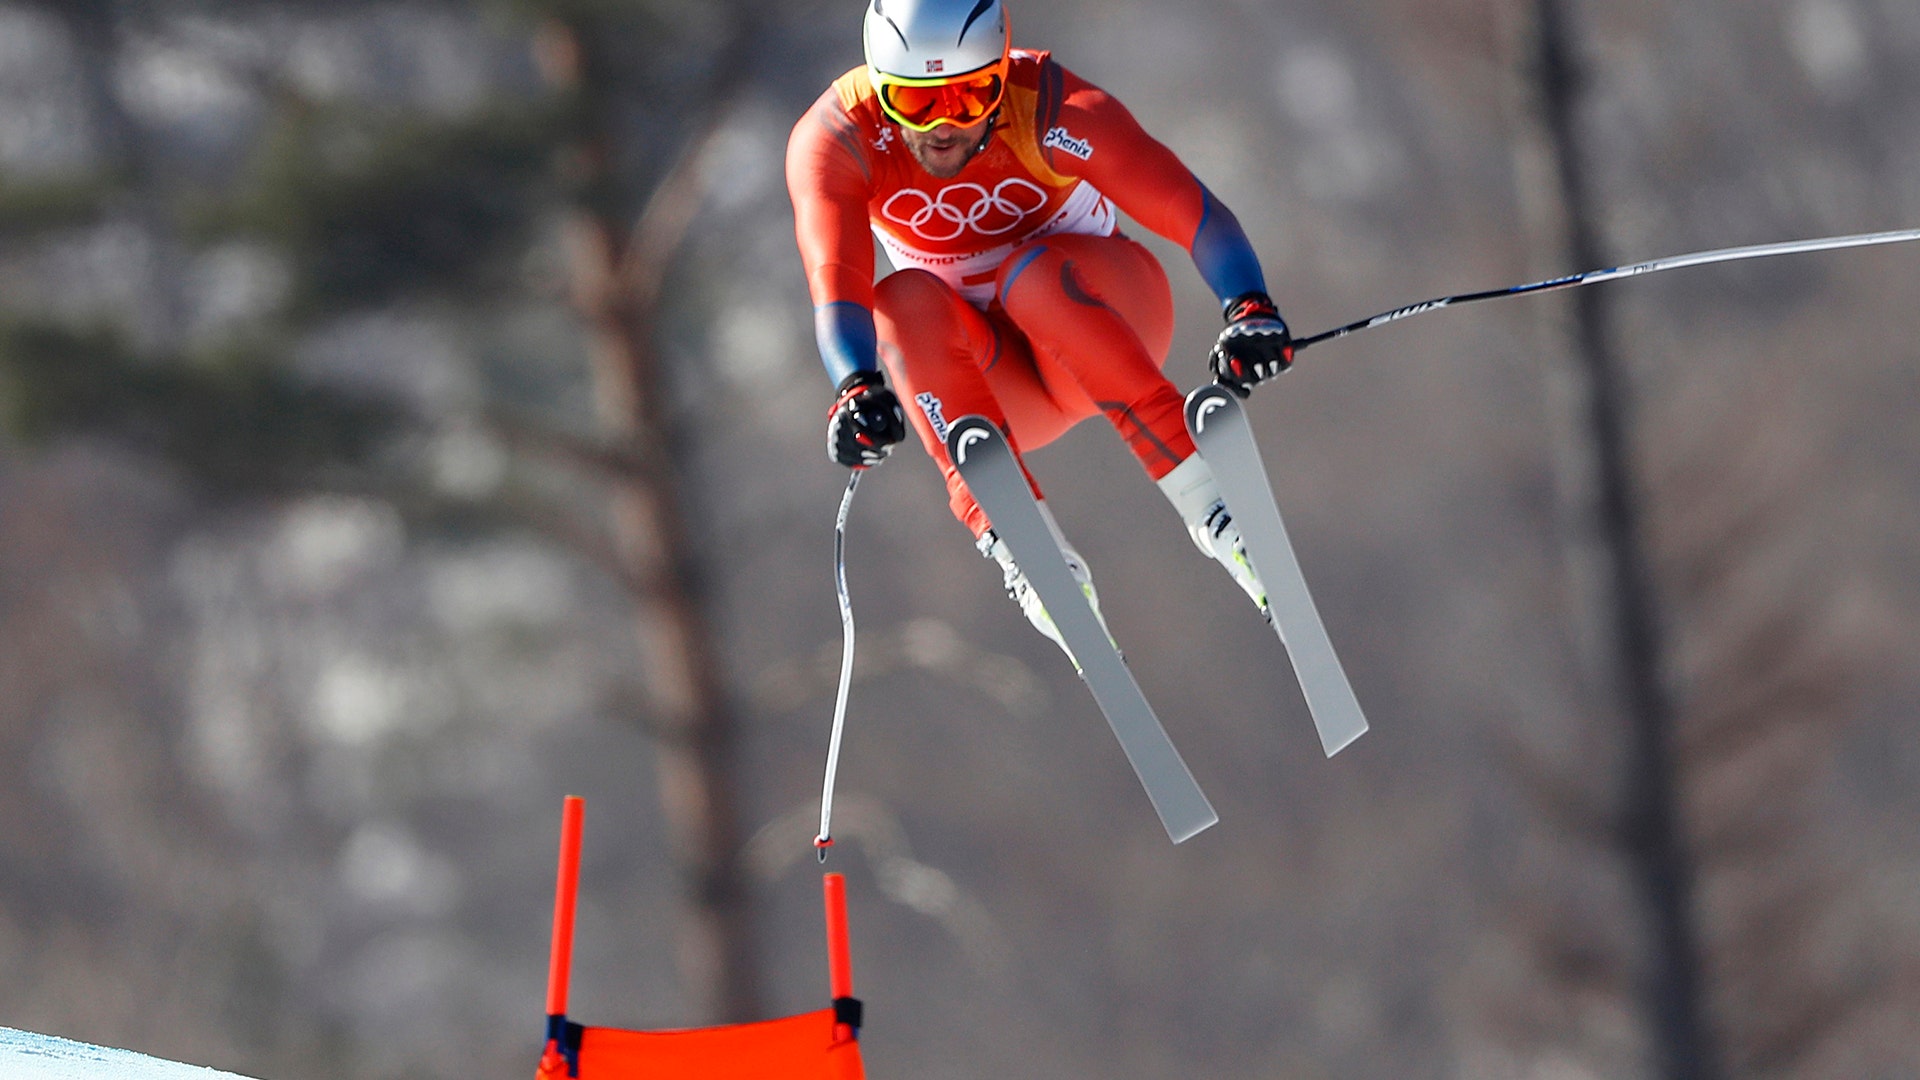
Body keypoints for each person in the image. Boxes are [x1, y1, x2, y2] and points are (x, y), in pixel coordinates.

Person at [786, 0, 1295, 658]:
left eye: (969, 97)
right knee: (899, 301)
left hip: (1109, 319)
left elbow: (1185, 204)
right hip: (999, 382)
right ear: (881, 92)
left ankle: (1217, 510)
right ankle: (1028, 551)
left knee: (1030, 275)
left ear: (1001, 77)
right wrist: (856, 386)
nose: (943, 127)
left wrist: (1248, 305)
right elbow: (836, 281)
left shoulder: (1050, 107)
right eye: (915, 104)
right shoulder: (837, 138)